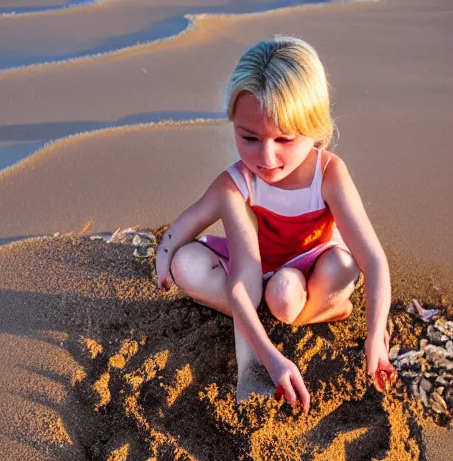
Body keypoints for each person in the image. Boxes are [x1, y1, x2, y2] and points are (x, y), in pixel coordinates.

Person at [155, 36, 396, 410]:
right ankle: (266, 311)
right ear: (233, 122)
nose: (266, 157)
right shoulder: (238, 182)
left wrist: (375, 335)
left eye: (284, 138)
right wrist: (166, 251)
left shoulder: (328, 174)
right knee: (186, 263)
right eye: (249, 137)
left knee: (297, 289)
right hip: (256, 270)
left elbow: (373, 260)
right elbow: (194, 219)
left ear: (315, 128)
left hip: (311, 269)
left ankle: (318, 307)